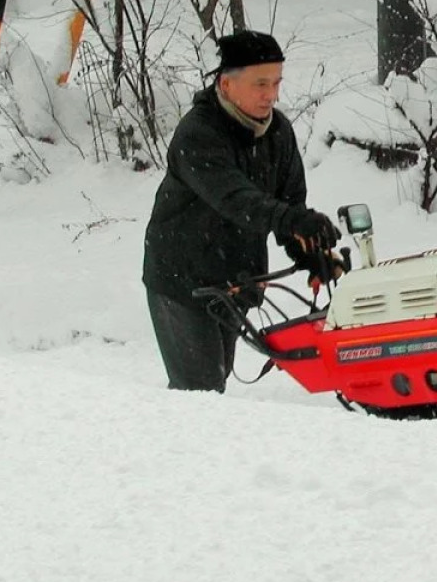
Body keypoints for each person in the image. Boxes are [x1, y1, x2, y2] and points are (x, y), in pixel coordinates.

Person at [142, 29, 340, 392]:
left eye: (276, 83)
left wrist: (308, 251)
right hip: (181, 278)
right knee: (199, 390)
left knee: (214, 385)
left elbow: (288, 204)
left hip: (235, 280)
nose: (271, 94)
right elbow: (237, 199)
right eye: (260, 84)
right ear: (227, 84)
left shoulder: (278, 132)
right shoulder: (198, 134)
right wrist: (292, 220)